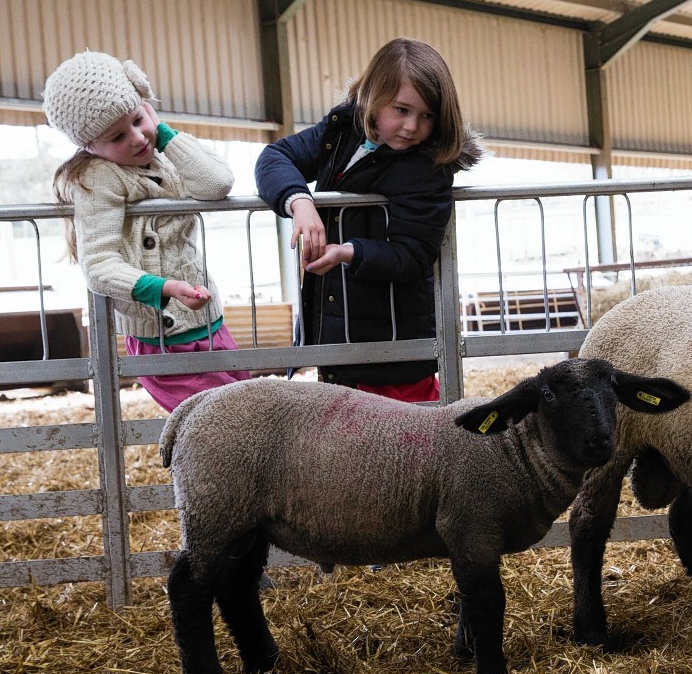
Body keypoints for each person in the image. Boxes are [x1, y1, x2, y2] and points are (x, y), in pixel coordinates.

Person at [255, 37, 482, 402]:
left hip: (396, 347)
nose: (411, 126)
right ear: (374, 98)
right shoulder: (341, 133)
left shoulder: (428, 167)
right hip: (338, 337)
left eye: (426, 115)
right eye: (402, 110)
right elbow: (275, 156)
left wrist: (350, 253)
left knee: (409, 442)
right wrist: (300, 202)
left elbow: (413, 253)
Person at [43, 50, 249, 413]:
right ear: (89, 146)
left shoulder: (164, 154)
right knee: (223, 422)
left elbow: (218, 183)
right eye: (118, 136)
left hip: (208, 321)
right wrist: (165, 289)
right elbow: (100, 265)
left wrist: (164, 132)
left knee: (247, 415)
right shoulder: (99, 177)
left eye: (139, 119)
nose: (138, 138)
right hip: (161, 334)